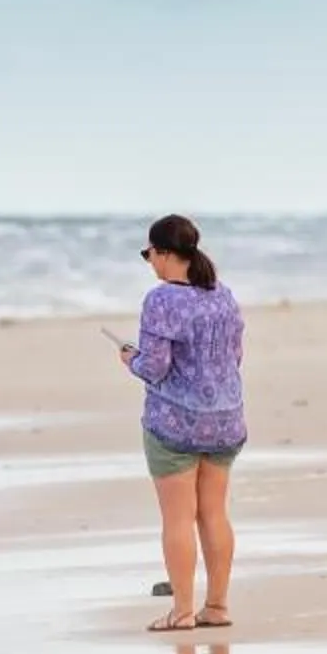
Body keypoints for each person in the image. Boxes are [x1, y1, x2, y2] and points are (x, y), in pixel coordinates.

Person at [118, 214, 244, 631]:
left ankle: (183, 611)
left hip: (176, 422)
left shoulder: (161, 299)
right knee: (214, 514)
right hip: (226, 418)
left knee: (177, 518)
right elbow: (235, 357)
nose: (149, 261)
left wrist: (128, 359)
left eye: (148, 253)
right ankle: (218, 607)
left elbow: (155, 367)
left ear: (165, 253)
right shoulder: (223, 296)